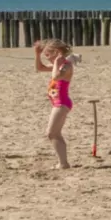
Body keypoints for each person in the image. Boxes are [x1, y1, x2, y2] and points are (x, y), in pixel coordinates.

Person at [36, 39, 78, 169]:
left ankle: (63, 163)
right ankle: (63, 162)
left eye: (48, 55)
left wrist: (57, 62)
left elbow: (56, 77)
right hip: (57, 103)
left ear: (57, 53)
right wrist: (37, 55)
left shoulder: (66, 65)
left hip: (62, 103)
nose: (46, 58)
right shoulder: (58, 65)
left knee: (52, 133)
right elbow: (40, 68)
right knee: (54, 133)